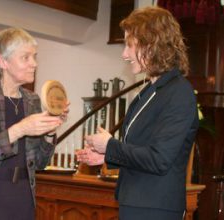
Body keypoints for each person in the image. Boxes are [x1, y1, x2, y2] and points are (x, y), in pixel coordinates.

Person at [76, 6, 199, 220]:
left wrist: (110, 145)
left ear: (153, 45)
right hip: (139, 202)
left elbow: (159, 159)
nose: (124, 54)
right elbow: (142, 148)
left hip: (155, 207)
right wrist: (107, 155)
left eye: (130, 45)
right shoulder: (152, 90)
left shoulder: (179, 92)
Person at [0, 27, 68, 220]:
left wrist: (50, 132)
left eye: (35, 57)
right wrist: (20, 129)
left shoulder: (33, 100)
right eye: (25, 58)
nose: (34, 64)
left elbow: (40, 162)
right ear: (3, 62)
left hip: (23, 198)